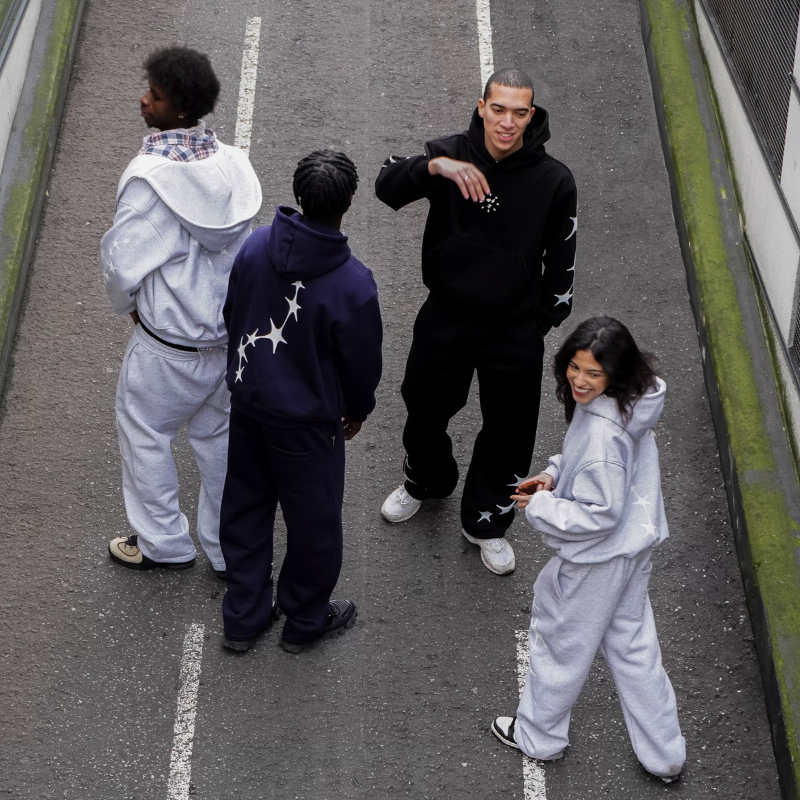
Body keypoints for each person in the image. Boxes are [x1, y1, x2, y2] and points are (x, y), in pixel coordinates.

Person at [375, 68, 577, 575]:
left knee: (510, 431)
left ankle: (486, 521)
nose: (508, 122)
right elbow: (385, 186)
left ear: (532, 115)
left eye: (519, 112)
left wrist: (543, 321)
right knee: (422, 406)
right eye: (499, 109)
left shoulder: (554, 180)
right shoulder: (448, 154)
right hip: (447, 314)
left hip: (513, 329)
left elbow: (563, 257)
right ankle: (426, 481)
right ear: (482, 106)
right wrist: (436, 168)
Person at [491, 316, 686, 783]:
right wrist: (556, 475)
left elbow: (600, 511)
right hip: (632, 551)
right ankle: (665, 756)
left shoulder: (602, 431)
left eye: (592, 373)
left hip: (597, 561)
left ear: (613, 374)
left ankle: (539, 737)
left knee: (561, 646)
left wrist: (541, 505)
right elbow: (597, 469)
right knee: (635, 649)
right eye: (575, 367)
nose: (579, 380)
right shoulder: (631, 403)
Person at [102, 46, 262, 574]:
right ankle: (223, 549)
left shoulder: (150, 181)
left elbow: (123, 264)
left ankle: (163, 545)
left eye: (155, 95)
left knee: (145, 436)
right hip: (225, 343)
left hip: (165, 350)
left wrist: (131, 308)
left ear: (178, 108)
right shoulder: (236, 167)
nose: (143, 100)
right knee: (218, 445)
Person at [219, 150, 383, 654]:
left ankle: (244, 618)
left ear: (297, 193)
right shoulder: (353, 284)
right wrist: (356, 410)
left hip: (249, 407)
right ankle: (304, 619)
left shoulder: (254, 247)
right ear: (349, 203)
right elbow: (361, 365)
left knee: (245, 512)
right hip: (308, 427)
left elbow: (232, 312)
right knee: (313, 525)